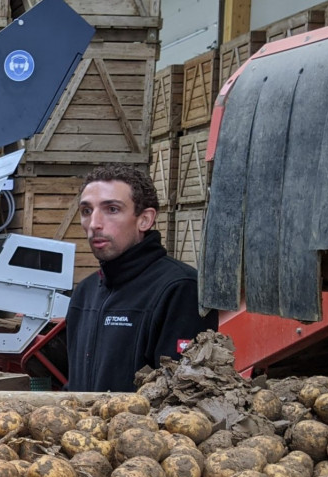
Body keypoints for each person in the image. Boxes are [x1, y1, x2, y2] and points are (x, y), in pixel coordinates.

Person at [65, 164, 217, 392]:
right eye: (87, 211)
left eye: (112, 209)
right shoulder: (85, 292)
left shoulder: (181, 289)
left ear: (145, 220)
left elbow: (185, 399)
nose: (94, 224)